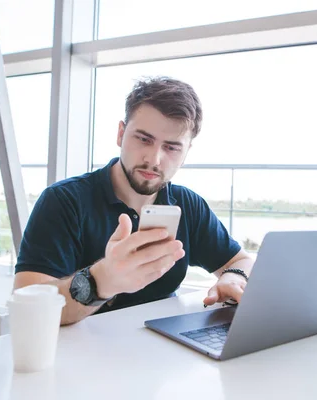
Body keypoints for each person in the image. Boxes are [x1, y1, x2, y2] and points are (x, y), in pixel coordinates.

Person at [13, 76, 254, 325]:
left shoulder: (187, 204)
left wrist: (234, 277)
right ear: (121, 134)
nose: (154, 159)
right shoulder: (63, 201)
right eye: (143, 139)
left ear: (186, 153)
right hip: (82, 357)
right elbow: (27, 308)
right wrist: (102, 280)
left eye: (171, 147)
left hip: (163, 352)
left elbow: (241, 260)